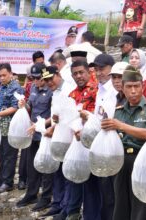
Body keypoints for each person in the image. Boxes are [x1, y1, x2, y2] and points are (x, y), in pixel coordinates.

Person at [102, 65, 146, 220]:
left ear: (143, 86)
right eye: (129, 87)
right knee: (121, 207)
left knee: (141, 209)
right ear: (122, 88)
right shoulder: (118, 111)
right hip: (122, 162)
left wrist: (120, 126)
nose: (133, 91)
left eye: (137, 86)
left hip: (143, 161)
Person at [15, 63, 54, 212]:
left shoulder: (51, 91)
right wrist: (23, 105)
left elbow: (53, 114)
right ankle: (31, 194)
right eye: (33, 78)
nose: (36, 81)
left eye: (38, 78)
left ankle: (46, 198)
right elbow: (30, 107)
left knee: (45, 168)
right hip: (32, 134)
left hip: (45, 134)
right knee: (32, 166)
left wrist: (41, 125)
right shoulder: (32, 88)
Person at [65, 60, 101, 220]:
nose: (78, 76)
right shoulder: (72, 94)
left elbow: (98, 116)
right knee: (78, 178)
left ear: (89, 72)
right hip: (78, 142)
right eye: (75, 73)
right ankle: (74, 212)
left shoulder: (97, 89)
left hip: (95, 143)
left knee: (94, 185)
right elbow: (69, 116)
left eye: (81, 72)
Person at [40, 65, 75, 219]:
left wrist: (53, 128)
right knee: (58, 171)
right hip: (58, 136)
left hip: (68, 136)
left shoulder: (69, 88)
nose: (49, 82)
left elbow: (70, 114)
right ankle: (57, 203)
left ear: (58, 74)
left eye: (50, 78)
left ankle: (66, 208)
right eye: (46, 80)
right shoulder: (54, 92)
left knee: (67, 173)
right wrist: (50, 126)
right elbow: (56, 116)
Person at [89, 54, 118, 220]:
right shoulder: (100, 88)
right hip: (100, 141)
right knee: (103, 188)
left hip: (111, 143)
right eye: (96, 69)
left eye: (102, 69)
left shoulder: (113, 90)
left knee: (110, 192)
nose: (99, 73)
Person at [0, 63, 23, 193]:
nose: (2, 78)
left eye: (4, 75)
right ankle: (0, 180)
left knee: (10, 155)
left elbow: (15, 107)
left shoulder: (16, 88)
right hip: (1, 126)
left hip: (11, 127)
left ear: (10, 73)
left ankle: (8, 183)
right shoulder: (2, 87)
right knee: (1, 154)